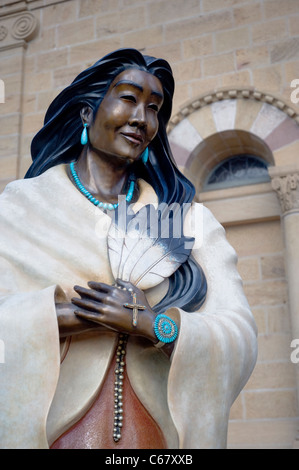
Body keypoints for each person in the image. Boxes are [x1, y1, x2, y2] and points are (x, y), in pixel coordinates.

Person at [0, 48, 257, 449]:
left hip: (155, 437)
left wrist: (150, 325)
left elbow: (239, 336)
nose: (142, 118)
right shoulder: (20, 208)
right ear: (86, 112)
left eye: (154, 108)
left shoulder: (187, 221)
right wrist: (81, 316)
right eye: (128, 98)